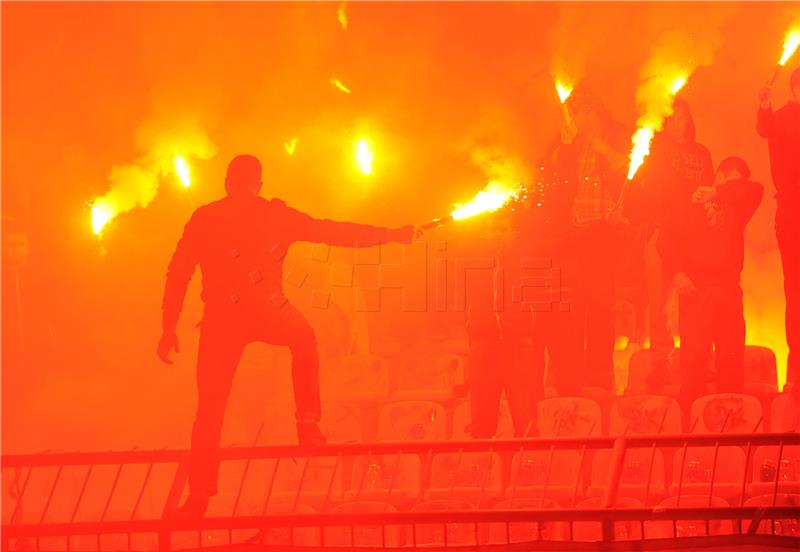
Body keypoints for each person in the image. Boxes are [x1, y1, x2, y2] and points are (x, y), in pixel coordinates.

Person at [157, 154, 419, 517]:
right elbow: (332, 233)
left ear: (226, 182)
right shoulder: (273, 214)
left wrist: (169, 326)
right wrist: (390, 236)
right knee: (304, 338)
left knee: (210, 410)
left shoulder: (205, 217)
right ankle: (308, 421)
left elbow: (178, 272)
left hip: (222, 319)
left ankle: (200, 494)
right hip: (267, 310)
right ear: (259, 184)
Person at [660, 156, 763, 413]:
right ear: (718, 175)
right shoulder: (687, 206)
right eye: (731, 182)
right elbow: (665, 241)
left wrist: (719, 191)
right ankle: (690, 433)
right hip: (696, 291)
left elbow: (755, 190)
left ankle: (731, 432)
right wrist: (678, 273)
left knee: (731, 362)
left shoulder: (737, 207)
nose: (735, 189)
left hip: (728, 290)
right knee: (693, 366)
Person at [629, 98, 714, 390]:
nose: (679, 124)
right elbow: (642, 187)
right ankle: (661, 364)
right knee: (657, 300)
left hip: (693, 235)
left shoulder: (702, 154)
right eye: (673, 119)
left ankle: (695, 361)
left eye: (683, 118)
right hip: (660, 231)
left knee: (692, 297)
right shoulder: (656, 152)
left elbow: (709, 191)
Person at [549, 89, 628, 395]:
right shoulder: (568, 145)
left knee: (600, 309)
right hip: (573, 237)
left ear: (595, 113)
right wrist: (568, 146)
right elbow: (558, 182)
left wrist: (602, 148)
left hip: (603, 236)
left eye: (584, 112)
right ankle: (569, 380)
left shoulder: (614, 138)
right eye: (575, 112)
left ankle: (599, 378)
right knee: (571, 311)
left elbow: (627, 170)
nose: (579, 118)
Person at [465, 209, 541, 438]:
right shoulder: (471, 261)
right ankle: (483, 468)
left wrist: (520, 326)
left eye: (502, 229)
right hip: (484, 345)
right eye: (492, 230)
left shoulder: (526, 260)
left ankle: (530, 466)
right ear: (484, 233)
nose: (497, 234)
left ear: (512, 232)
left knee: (525, 415)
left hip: (517, 345)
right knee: (482, 420)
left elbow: (538, 298)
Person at [757, 67, 800, 392]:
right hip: (792, 213)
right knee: (796, 293)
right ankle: (797, 374)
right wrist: (765, 105)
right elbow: (765, 128)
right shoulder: (784, 117)